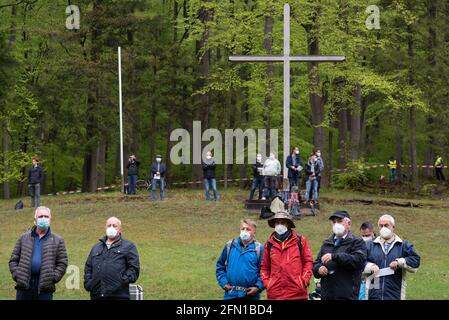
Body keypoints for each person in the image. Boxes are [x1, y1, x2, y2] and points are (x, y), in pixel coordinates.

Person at [9, 206, 68, 300]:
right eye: (40, 216)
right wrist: (17, 275)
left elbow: (62, 263)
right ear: (35, 220)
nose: (43, 218)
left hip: (45, 290)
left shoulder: (58, 240)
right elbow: (13, 259)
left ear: (50, 219)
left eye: (46, 216)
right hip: (24, 288)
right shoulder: (23, 238)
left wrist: (53, 278)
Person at [363, 214, 420, 300]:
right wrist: (370, 266)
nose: (383, 228)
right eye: (381, 226)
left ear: (393, 227)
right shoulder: (369, 246)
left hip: (394, 293)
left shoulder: (403, 245)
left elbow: (415, 261)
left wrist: (399, 262)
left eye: (386, 225)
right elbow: (359, 262)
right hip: (373, 292)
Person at [312, 210, 367, 300]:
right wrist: (319, 268)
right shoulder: (327, 243)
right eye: (334, 222)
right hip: (327, 295)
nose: (336, 224)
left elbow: (358, 261)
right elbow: (316, 263)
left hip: (347, 295)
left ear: (348, 223)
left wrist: (334, 256)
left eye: (339, 221)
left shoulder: (357, 242)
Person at [260, 211, 313, 300]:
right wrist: (268, 283)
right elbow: (264, 267)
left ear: (288, 224)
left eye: (283, 222)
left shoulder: (300, 241)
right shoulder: (269, 244)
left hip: (297, 293)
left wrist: (303, 281)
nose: (280, 225)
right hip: (275, 294)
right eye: (277, 223)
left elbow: (308, 262)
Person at [84, 217, 140, 300]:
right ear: (105, 228)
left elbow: (134, 268)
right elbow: (88, 267)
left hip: (119, 295)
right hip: (97, 295)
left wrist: (121, 281)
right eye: (109, 225)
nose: (111, 228)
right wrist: (89, 284)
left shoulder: (128, 246)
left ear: (120, 229)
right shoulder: (96, 247)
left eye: (114, 226)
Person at [216, 219, 264, 300]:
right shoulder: (230, 245)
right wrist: (223, 283)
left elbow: (264, 272)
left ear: (254, 231)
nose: (245, 231)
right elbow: (220, 267)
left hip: (251, 296)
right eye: (243, 229)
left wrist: (258, 287)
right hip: (231, 294)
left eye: (248, 229)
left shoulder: (259, 249)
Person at [358, 222, 376, 300]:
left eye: (367, 235)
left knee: (373, 296)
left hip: (374, 276)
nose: (365, 237)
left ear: (372, 232)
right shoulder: (358, 244)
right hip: (360, 277)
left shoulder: (378, 244)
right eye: (363, 235)